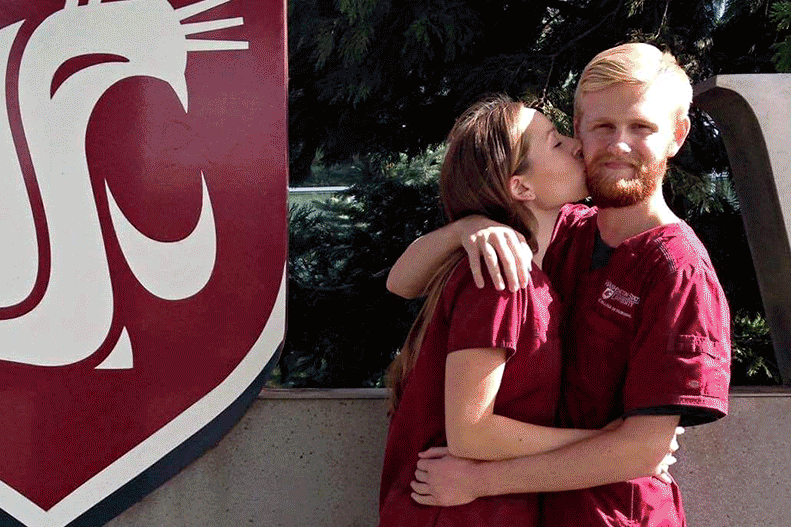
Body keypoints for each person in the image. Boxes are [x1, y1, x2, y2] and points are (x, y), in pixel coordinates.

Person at [388, 43, 731, 526]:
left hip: (614, 516)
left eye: (642, 127)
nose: (620, 144)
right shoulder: (558, 232)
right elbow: (402, 284)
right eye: (602, 127)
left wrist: (481, 480)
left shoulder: (678, 270)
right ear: (580, 133)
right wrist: (464, 229)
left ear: (677, 135)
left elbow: (641, 452)